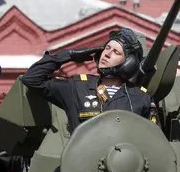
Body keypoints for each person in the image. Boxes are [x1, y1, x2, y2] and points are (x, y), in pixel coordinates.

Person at [21, 27, 157, 132]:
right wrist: (68, 55)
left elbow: (154, 141)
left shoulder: (141, 98)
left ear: (129, 63)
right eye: (107, 48)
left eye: (116, 52)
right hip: (82, 166)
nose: (107, 54)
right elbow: (31, 79)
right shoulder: (77, 87)